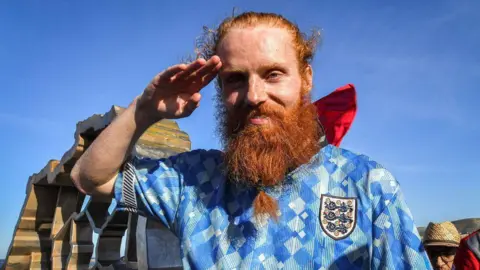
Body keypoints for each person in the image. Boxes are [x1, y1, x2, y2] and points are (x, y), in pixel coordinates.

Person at [71, 11, 432, 269]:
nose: (254, 95)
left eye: (273, 74)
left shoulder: (367, 184)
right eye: (236, 79)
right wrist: (145, 110)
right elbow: (91, 178)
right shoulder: (195, 181)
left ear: (305, 78)